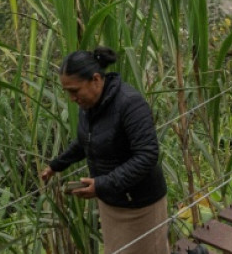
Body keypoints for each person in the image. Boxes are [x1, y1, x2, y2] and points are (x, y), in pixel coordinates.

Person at [40, 47, 170, 254]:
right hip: (111, 203)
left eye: (75, 90)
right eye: (68, 92)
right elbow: (85, 141)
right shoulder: (88, 106)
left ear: (96, 79)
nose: (72, 98)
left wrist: (102, 184)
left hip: (140, 206)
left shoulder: (130, 104)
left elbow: (147, 155)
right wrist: (56, 166)